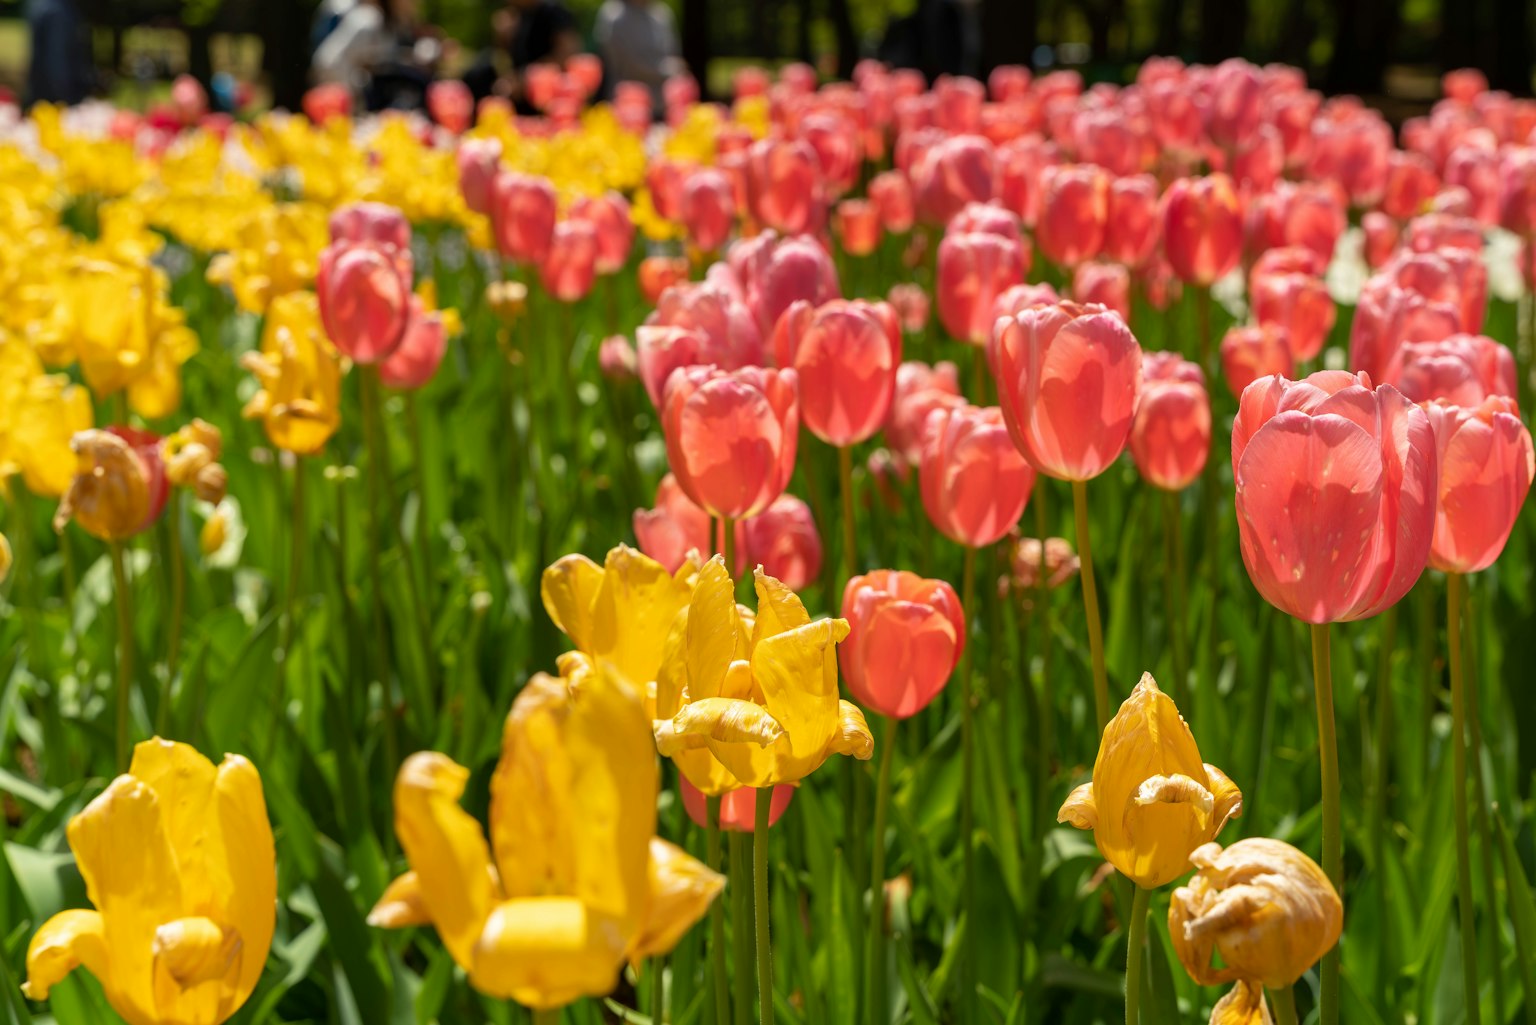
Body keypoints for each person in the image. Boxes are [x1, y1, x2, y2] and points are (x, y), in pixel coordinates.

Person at [593, 0, 683, 106]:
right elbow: (626, 66)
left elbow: (673, 53)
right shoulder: (613, 14)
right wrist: (667, 70)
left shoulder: (662, 13)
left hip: (664, 106)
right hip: (626, 106)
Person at [507, 0, 580, 112]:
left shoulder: (553, 12)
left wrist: (527, 78)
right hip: (525, 107)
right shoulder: (520, 15)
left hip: (557, 105)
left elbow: (568, 54)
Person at [26, 0, 92, 106]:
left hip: (40, 95)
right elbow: (57, 60)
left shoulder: (41, 5)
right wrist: (67, 99)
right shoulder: (57, 11)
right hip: (56, 102)